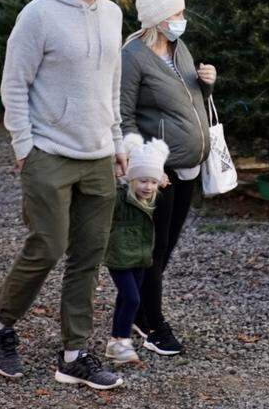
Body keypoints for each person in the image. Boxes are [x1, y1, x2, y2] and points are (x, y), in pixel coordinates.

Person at [0, 0, 128, 391]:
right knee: (48, 245)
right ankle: (0, 324)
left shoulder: (113, 14)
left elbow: (112, 83)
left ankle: (74, 355)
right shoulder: (39, 15)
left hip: (100, 155)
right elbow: (14, 83)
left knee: (88, 257)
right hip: (50, 154)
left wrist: (118, 139)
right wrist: (24, 146)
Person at [119, 0, 217, 356]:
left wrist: (207, 81)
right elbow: (123, 114)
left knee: (168, 244)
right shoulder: (134, 57)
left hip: (188, 165)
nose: (182, 20)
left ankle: (142, 311)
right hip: (159, 170)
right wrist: (143, 164)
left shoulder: (179, 48)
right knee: (154, 247)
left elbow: (189, 96)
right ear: (159, 21)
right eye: (176, 15)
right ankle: (152, 322)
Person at [103, 133, 171, 364]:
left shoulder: (152, 199)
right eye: (142, 181)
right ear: (131, 179)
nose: (147, 186)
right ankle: (122, 340)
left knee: (125, 298)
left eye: (152, 182)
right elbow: (110, 193)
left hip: (141, 257)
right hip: (119, 257)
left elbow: (158, 186)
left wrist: (159, 178)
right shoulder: (121, 198)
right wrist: (118, 173)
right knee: (132, 299)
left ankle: (114, 341)